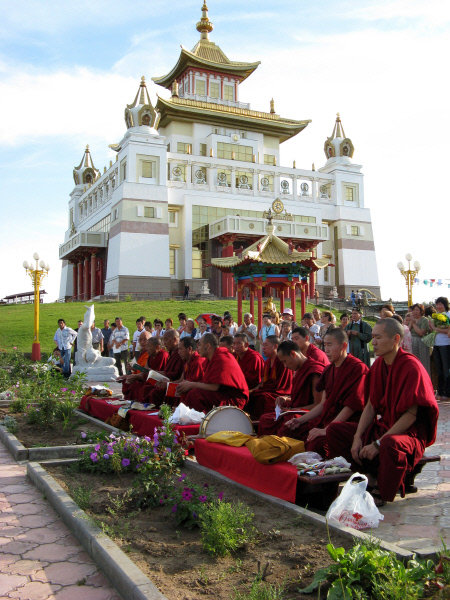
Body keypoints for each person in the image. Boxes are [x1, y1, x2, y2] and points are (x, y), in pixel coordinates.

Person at [326, 318, 439, 504]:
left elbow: (411, 415)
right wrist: (357, 436)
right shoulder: (378, 365)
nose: (374, 342)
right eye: (372, 337)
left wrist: (378, 443)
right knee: (335, 430)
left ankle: (382, 489)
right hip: (384, 427)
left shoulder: (411, 367)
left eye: (378, 337)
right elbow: (370, 405)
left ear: (396, 339)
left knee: (390, 444)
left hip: (407, 433)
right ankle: (365, 476)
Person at [279, 328, 368, 456]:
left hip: (346, 423)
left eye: (330, 345)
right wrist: (300, 420)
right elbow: (323, 404)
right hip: (326, 419)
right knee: (289, 430)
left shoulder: (357, 368)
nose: (326, 349)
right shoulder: (328, 370)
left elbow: (351, 406)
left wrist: (326, 429)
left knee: (316, 442)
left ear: (344, 346)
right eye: (325, 345)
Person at [258, 340, 326, 435]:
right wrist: (285, 399)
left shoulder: (314, 372)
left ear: (293, 354)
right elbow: (298, 398)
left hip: (309, 416)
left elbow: (318, 404)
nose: (285, 366)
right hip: (295, 412)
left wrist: (292, 410)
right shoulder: (299, 370)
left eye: (285, 361)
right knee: (265, 419)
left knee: (285, 426)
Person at [178, 333, 249, 412]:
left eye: (200, 345)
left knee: (195, 394)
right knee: (188, 392)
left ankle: (197, 421)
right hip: (222, 393)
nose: (198, 348)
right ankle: (184, 414)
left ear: (208, 346)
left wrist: (191, 384)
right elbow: (208, 382)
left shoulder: (221, 358)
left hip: (234, 398)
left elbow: (215, 387)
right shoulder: (211, 358)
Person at [245, 335, 292, 419]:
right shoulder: (267, 362)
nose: (263, 348)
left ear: (275, 346)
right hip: (268, 390)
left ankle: (260, 420)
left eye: (266, 345)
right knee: (251, 395)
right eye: (263, 345)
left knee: (263, 398)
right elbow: (263, 383)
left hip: (280, 392)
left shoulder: (282, 361)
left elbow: (283, 386)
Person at [141, 330, 184, 406]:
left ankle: (155, 410)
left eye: (166, 339)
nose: (164, 343)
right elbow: (167, 371)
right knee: (146, 387)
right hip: (166, 379)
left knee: (155, 391)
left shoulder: (179, 353)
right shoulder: (172, 352)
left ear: (174, 339)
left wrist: (157, 373)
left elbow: (176, 374)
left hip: (174, 382)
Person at [429, 296, 450, 401]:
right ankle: (440, 391)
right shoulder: (436, 316)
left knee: (446, 370)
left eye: (441, 304)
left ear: (445, 305)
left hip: (446, 345)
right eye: (437, 304)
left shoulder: (448, 315)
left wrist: (435, 328)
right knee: (439, 370)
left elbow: (448, 331)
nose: (438, 306)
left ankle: (447, 392)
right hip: (436, 345)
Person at [409, 303, 431, 375]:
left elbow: (421, 333)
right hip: (412, 341)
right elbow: (407, 330)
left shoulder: (424, 320)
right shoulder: (411, 319)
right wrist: (411, 322)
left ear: (421, 311)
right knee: (414, 362)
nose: (415, 312)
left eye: (417, 310)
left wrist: (414, 324)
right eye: (413, 310)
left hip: (421, 342)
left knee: (423, 361)